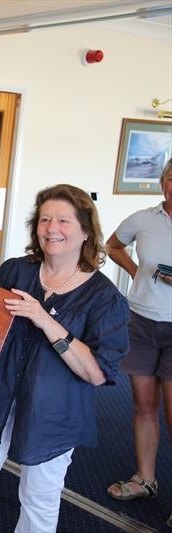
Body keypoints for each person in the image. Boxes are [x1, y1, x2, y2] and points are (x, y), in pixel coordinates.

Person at [0, 184, 130, 532]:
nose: (51, 229)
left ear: (86, 231)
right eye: (45, 219)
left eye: (63, 220)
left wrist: (44, 319)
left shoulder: (105, 298)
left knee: (39, 497)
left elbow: (96, 373)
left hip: (54, 412)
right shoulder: (15, 271)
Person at [105, 158, 172, 527]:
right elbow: (112, 245)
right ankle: (145, 480)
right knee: (143, 404)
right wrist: (137, 272)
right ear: (163, 183)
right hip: (142, 321)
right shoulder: (143, 219)